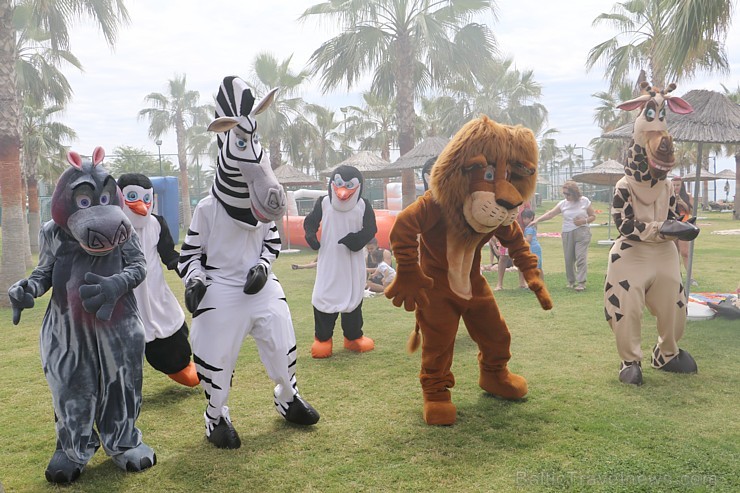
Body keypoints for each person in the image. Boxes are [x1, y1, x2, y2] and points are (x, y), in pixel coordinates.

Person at [531, 180, 595, 291]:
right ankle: (571, 281)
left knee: (581, 257)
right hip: (567, 232)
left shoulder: (584, 201)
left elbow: (593, 216)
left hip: (582, 232)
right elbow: (551, 214)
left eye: (568, 194)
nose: (566, 196)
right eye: (564, 193)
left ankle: (581, 283)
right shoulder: (563, 204)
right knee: (568, 259)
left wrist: (583, 221)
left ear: (574, 192)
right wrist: (537, 220)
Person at [494, 202, 531, 290]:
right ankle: (499, 284)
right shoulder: (504, 201)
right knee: (503, 258)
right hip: (505, 234)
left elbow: (528, 216)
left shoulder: (525, 202)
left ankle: (522, 283)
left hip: (520, 235)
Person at [671, 176, 696, 284]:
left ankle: (690, 277)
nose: (676, 187)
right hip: (672, 225)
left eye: (678, 185)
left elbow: (691, 211)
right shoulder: (668, 195)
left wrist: (681, 202)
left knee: (685, 252)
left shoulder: (687, 196)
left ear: (682, 186)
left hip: (684, 225)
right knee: (674, 252)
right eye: (674, 185)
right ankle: (677, 276)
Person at [520, 209, 543, 279]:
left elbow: (528, 240)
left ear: (531, 218)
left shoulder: (529, 228)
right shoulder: (532, 226)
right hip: (534, 247)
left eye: (525, 218)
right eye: (523, 218)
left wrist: (520, 239)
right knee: (537, 266)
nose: (524, 220)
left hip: (533, 248)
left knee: (536, 267)